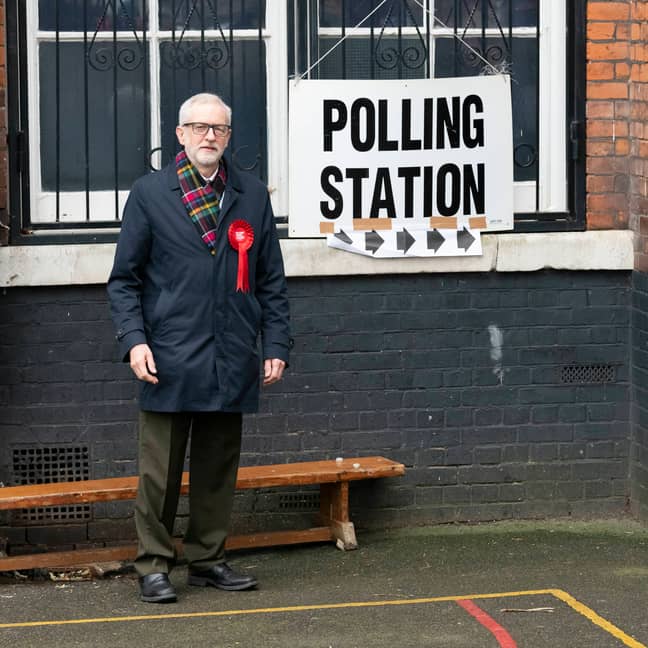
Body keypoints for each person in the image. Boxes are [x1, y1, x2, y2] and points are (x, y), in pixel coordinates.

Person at [107, 92, 291, 604]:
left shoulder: (251, 195)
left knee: (216, 469)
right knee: (158, 475)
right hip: (166, 355)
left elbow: (270, 280)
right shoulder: (149, 194)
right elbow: (124, 280)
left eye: (220, 129)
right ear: (180, 134)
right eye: (199, 127)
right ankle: (153, 566)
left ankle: (209, 560)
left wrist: (274, 343)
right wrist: (134, 342)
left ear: (229, 137)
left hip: (231, 354)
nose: (210, 136)